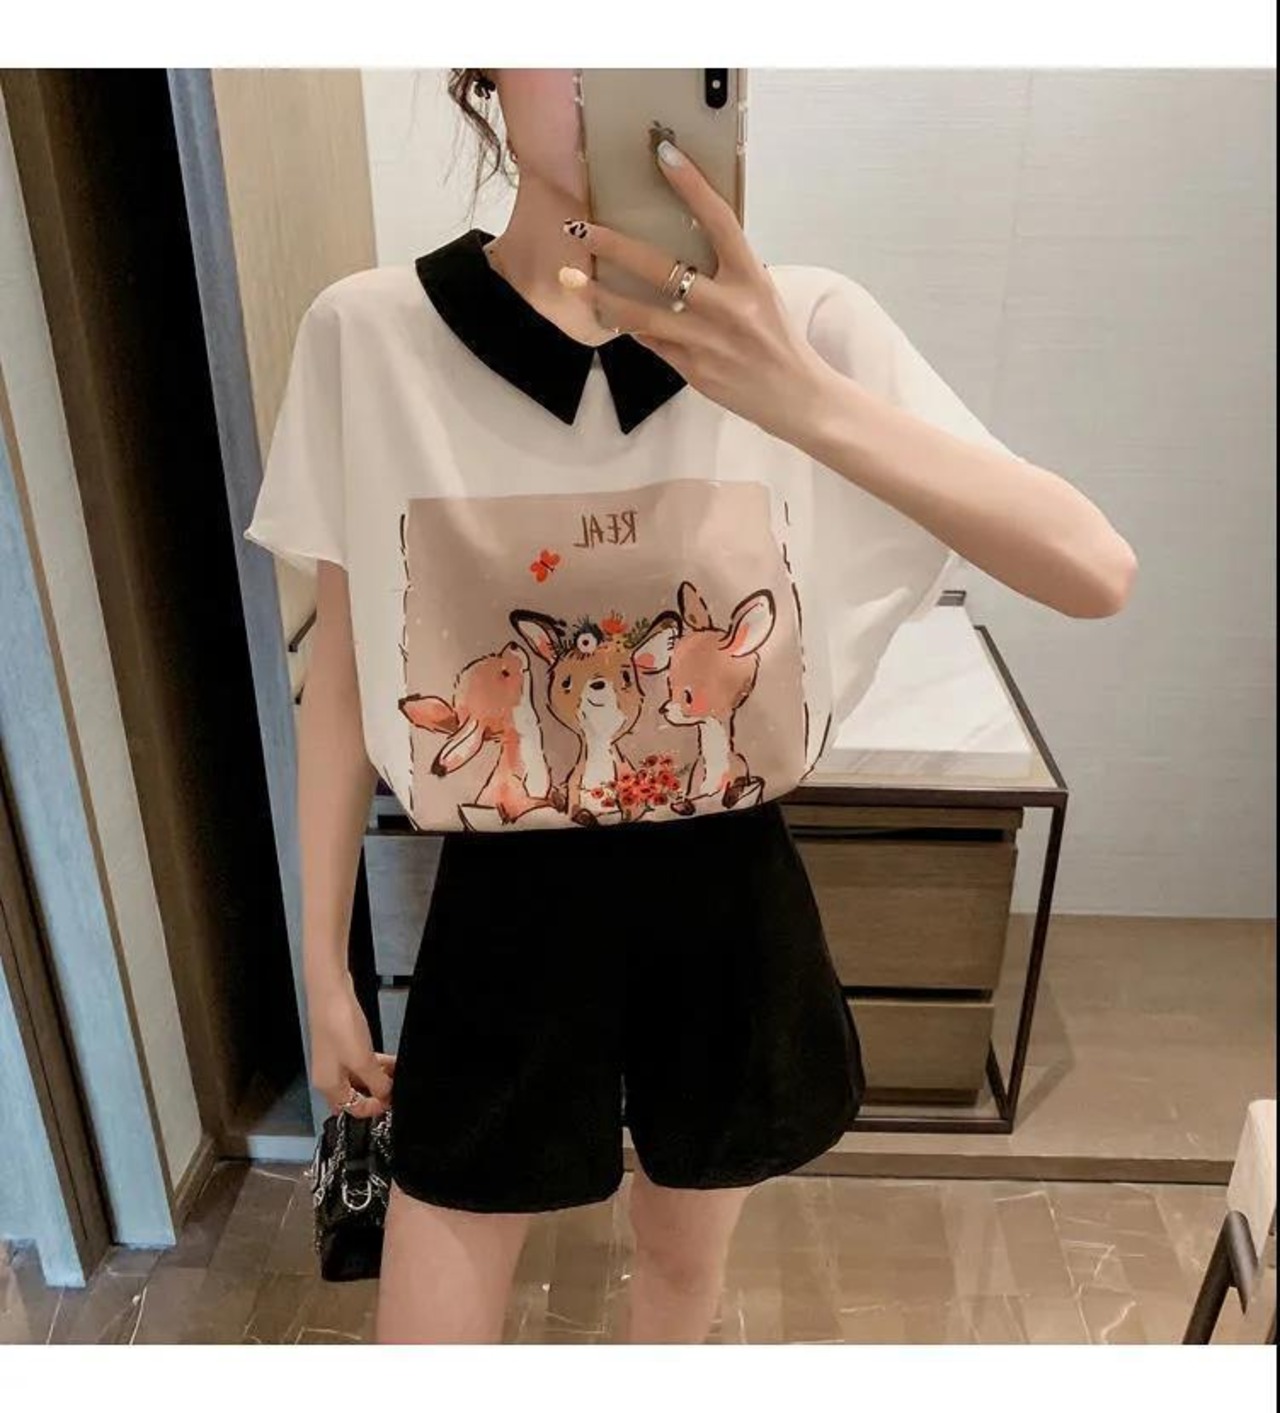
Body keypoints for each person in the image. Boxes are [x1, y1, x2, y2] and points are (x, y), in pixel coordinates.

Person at [244, 69, 1137, 1345]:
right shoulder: (370, 335)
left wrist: (798, 395)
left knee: (677, 1275)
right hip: (502, 912)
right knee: (430, 1314)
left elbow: (1092, 571)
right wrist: (322, 966)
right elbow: (341, 677)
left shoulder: (804, 324)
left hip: (726, 897)